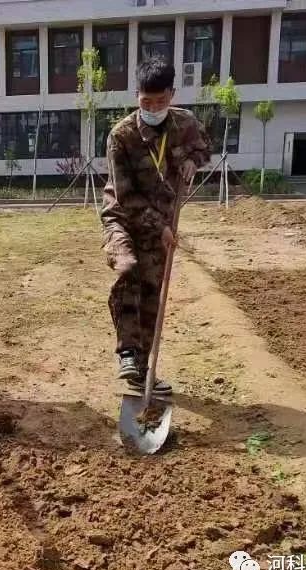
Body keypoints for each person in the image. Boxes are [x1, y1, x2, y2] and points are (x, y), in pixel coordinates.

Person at [101, 57, 211, 394]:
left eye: (160, 101)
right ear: (136, 95)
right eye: (145, 101)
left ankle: (142, 374)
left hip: (163, 221)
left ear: (171, 94)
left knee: (152, 292)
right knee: (128, 269)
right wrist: (159, 227)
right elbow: (127, 195)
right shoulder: (122, 136)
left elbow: (204, 149)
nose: (153, 107)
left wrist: (193, 161)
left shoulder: (186, 123)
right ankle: (127, 353)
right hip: (123, 216)